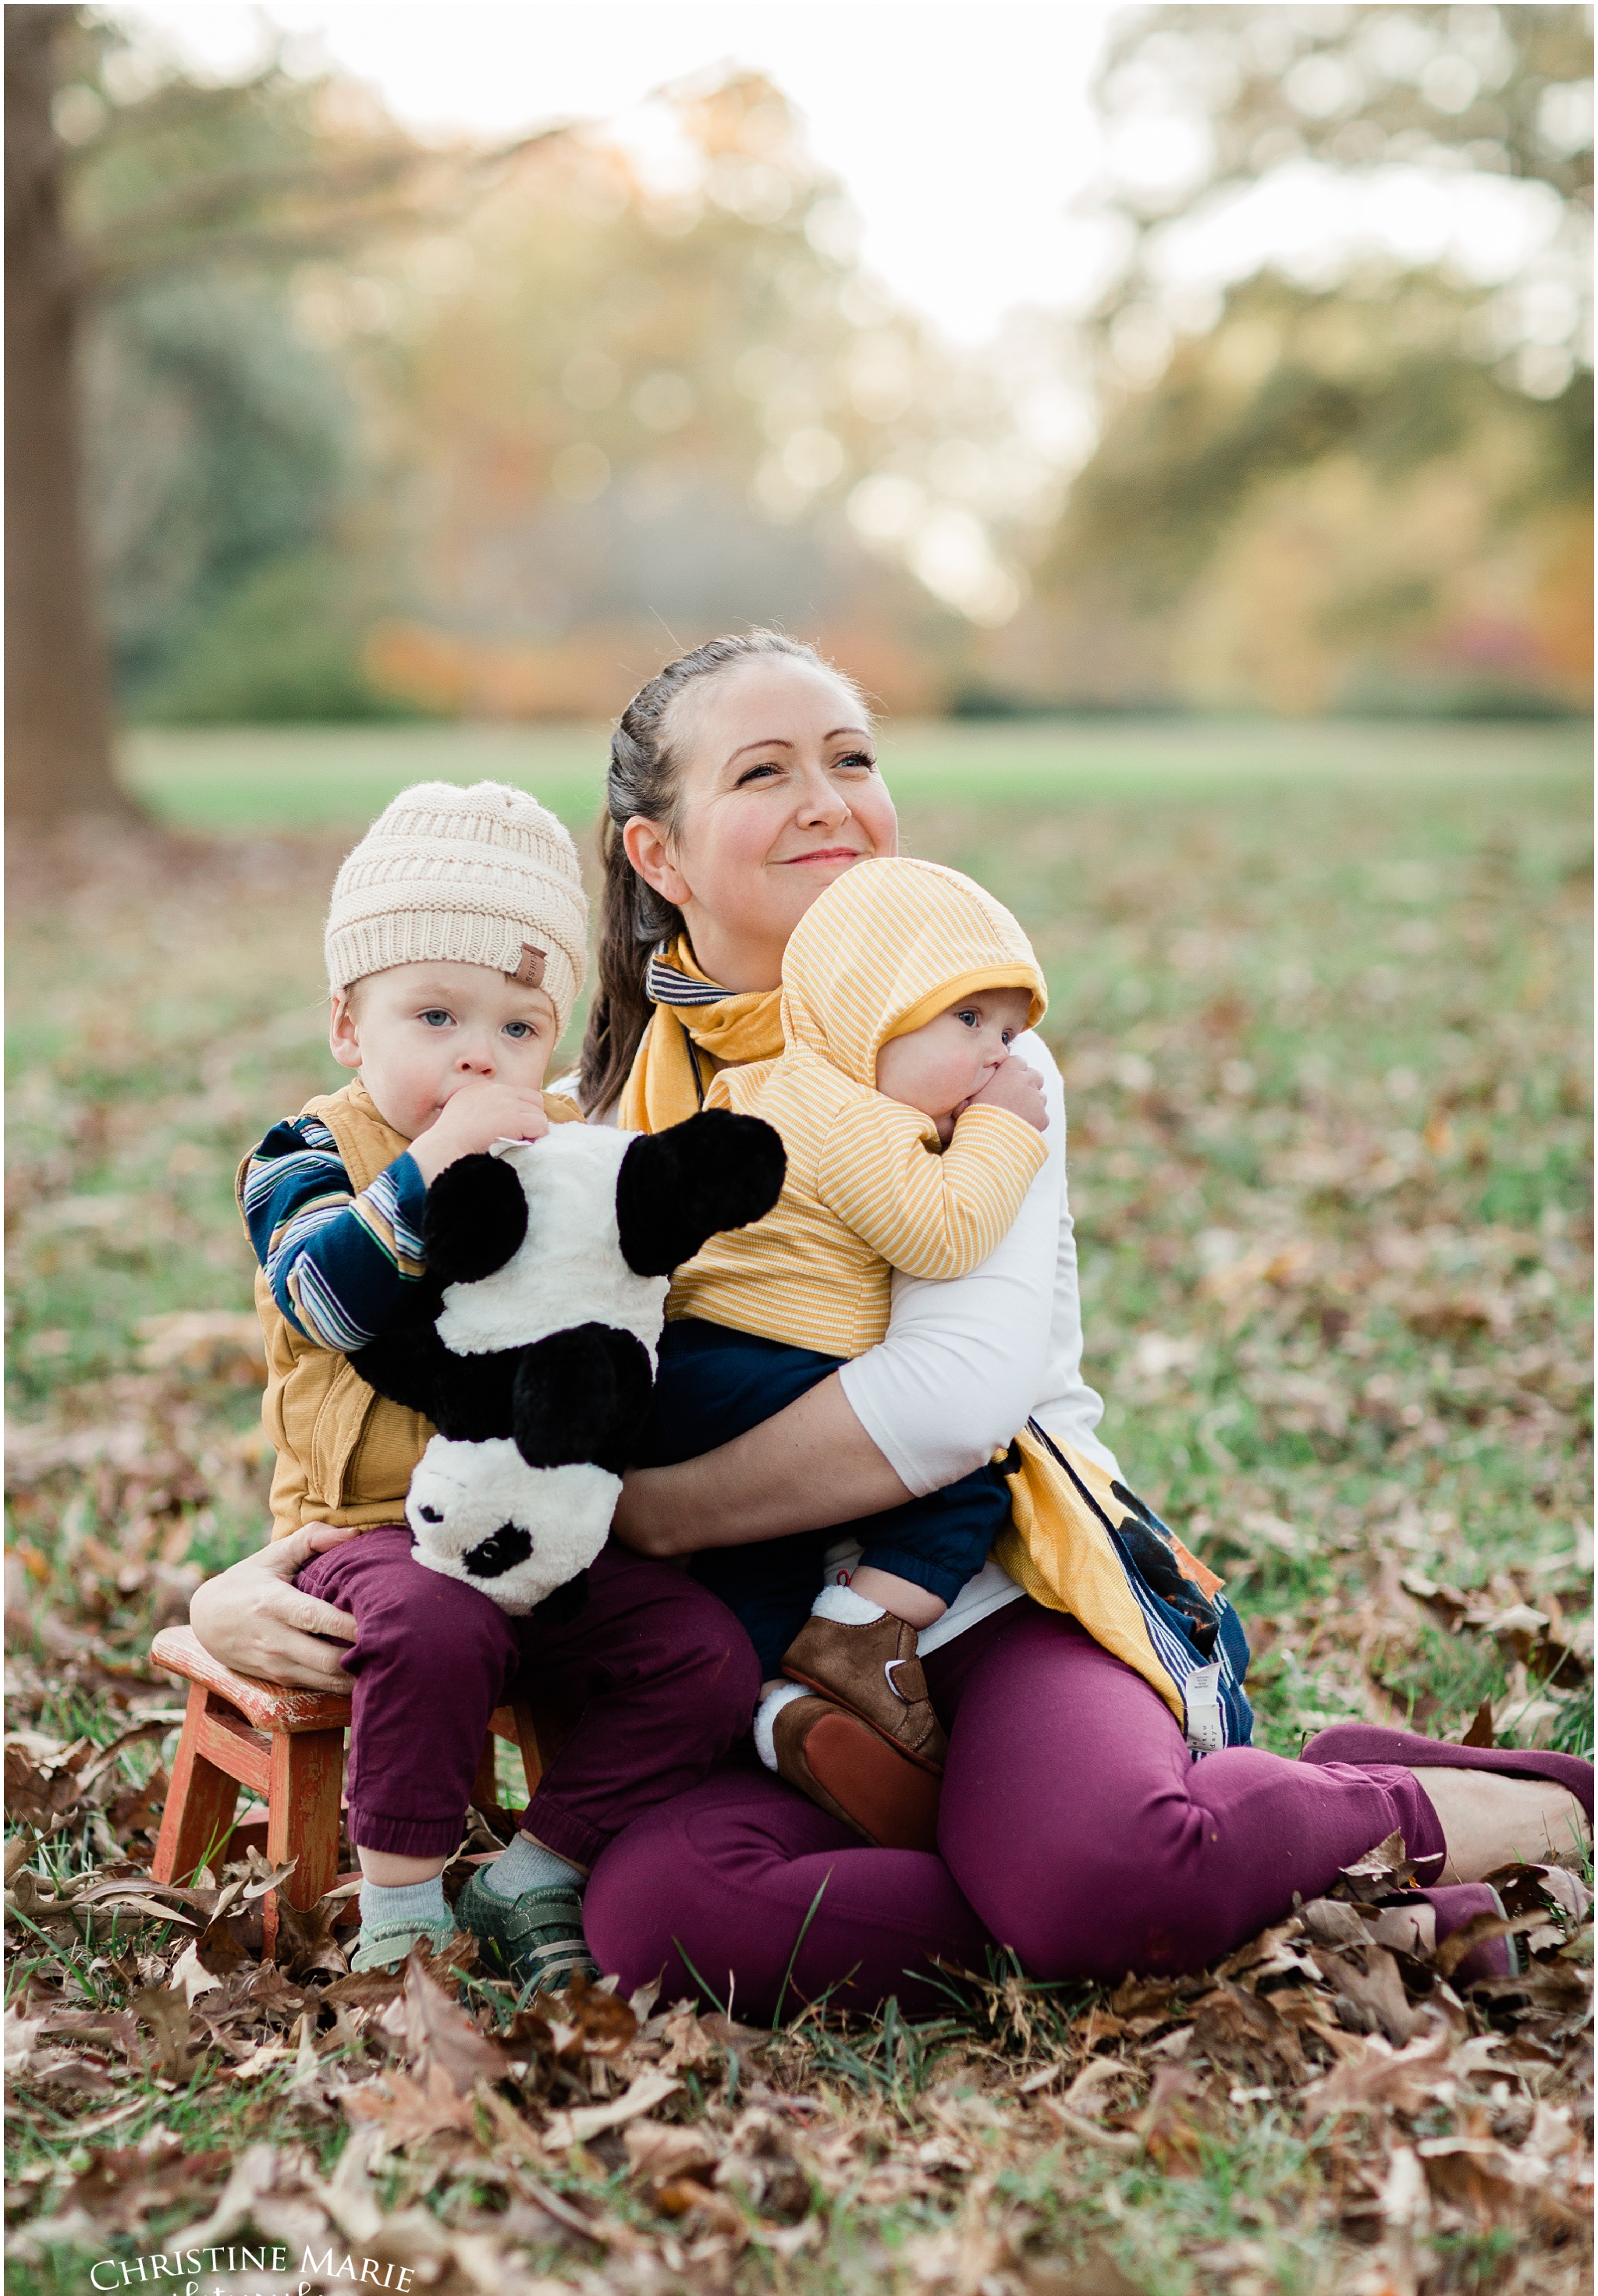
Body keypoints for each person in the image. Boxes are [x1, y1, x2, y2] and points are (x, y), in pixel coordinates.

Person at [199, 633, 1591, 2020]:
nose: (825, 798)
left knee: (1093, 1877)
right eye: (762, 771)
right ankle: (1148, 1852)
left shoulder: (971, 1049)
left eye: (850, 758)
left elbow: (951, 1399)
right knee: (659, 1924)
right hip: (754, 1663)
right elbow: (430, 1379)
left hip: (976, 1594)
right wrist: (243, 1585)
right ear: (656, 857)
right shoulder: (581, 1108)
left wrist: (647, 1517)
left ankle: (1368, 1812)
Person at [234, 779, 759, 1987]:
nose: (480, 1053)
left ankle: (541, 1866)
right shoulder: (306, 1152)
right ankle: (406, 1898)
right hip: (367, 1535)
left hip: (547, 1523)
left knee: (703, 1653)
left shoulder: (561, 1151)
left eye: (521, 1028)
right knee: (436, 1622)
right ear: (348, 1027)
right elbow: (326, 1295)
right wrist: (431, 1162)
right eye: (434, 1014)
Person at [639, 853, 1052, 1819]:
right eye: (968, 1020)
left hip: (695, 1378)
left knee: (762, 1556)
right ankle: (858, 1637)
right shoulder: (845, 1110)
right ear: (868, 1011)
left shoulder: (766, 1086)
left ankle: (773, 1707)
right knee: (963, 1482)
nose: (1000, 1056)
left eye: (1007, 1031)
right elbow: (941, 1234)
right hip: (758, 1359)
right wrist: (1001, 1135)